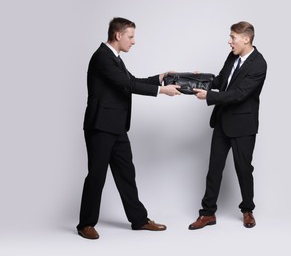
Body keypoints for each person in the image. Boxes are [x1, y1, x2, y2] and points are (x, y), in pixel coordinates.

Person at [77, 17, 181, 239]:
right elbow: (128, 85)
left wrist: (159, 78)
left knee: (126, 174)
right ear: (118, 35)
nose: (133, 42)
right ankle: (85, 224)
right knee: (97, 176)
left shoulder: (115, 59)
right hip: (100, 127)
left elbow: (131, 80)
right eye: (130, 37)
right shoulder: (102, 58)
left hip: (117, 127)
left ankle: (139, 220)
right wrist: (162, 91)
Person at [190, 21, 267, 229]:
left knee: (243, 169)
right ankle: (207, 214)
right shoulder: (232, 56)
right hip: (223, 121)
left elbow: (240, 94)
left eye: (233, 37)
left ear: (246, 39)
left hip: (243, 125)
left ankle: (248, 210)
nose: (229, 41)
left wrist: (210, 96)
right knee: (214, 168)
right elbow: (222, 81)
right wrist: (201, 81)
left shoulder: (259, 64)